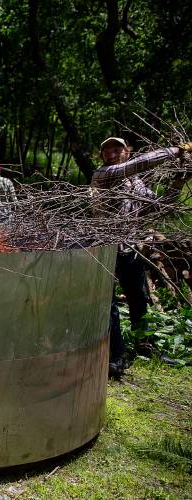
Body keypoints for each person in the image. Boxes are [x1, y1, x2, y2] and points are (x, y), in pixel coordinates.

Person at [91, 137, 190, 377]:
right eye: (106, 150)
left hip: (129, 249)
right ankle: (116, 356)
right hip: (105, 248)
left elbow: (160, 206)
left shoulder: (134, 184)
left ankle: (146, 347)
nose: (111, 153)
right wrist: (176, 150)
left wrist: (180, 181)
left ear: (126, 151)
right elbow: (139, 164)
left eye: (117, 149)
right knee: (109, 305)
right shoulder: (104, 175)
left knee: (139, 299)